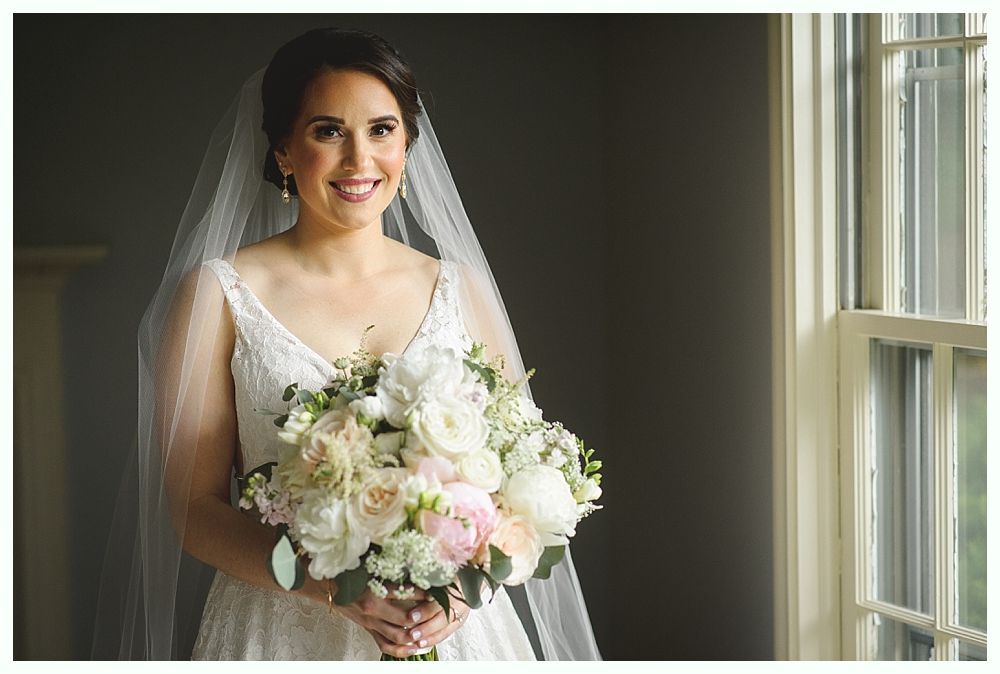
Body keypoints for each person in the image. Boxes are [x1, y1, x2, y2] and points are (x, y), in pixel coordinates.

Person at [91, 27, 601, 661]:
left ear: (408, 145)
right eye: (328, 132)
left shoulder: (458, 288)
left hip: (454, 632)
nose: (360, 161)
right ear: (283, 150)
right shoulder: (218, 295)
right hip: (280, 628)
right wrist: (331, 586)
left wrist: (467, 592)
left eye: (382, 130)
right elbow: (194, 510)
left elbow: (519, 479)